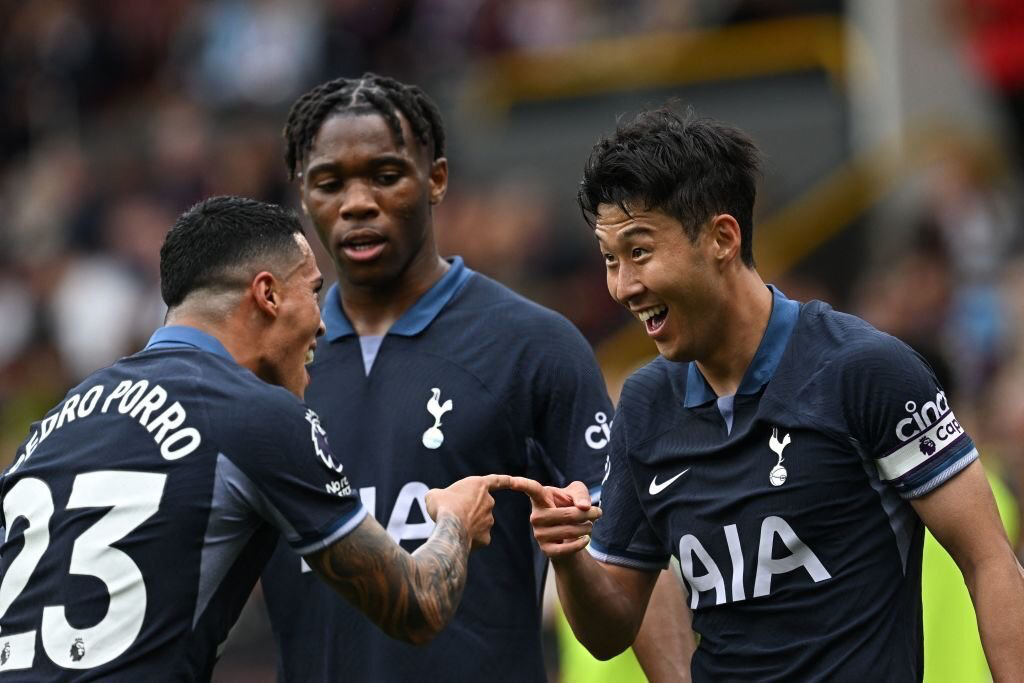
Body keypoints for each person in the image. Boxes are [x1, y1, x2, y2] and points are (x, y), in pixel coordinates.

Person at [515, 106, 1024, 681]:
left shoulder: (863, 372)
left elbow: (988, 560)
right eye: (610, 260)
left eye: (639, 252)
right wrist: (571, 558)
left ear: (722, 238)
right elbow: (609, 632)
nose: (623, 287)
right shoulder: (645, 405)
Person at [257, 73, 687, 682]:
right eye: (330, 182)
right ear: (303, 193)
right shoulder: (266, 365)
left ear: (436, 179)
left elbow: (630, 545)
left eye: (384, 175)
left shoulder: (533, 345)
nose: (356, 202)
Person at [0, 196, 510, 680]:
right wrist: (455, 521)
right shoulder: (255, 413)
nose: (323, 325)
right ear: (267, 295)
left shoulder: (60, 420)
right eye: (313, 291)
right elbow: (416, 605)